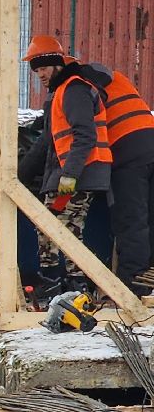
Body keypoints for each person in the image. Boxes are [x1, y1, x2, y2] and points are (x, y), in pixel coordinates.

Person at [17, 35, 114, 304]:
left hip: (80, 175)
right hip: (70, 174)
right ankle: (61, 288)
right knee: (54, 231)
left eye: (44, 69)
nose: (40, 75)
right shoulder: (60, 93)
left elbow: (85, 135)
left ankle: (71, 289)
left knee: (63, 232)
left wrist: (70, 174)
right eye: (36, 71)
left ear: (56, 64)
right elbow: (50, 141)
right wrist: (21, 176)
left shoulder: (74, 90)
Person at [80, 52, 154, 291]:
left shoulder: (78, 86)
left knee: (131, 221)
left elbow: (82, 134)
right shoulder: (117, 78)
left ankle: (134, 288)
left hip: (126, 154)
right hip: (150, 143)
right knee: (148, 217)